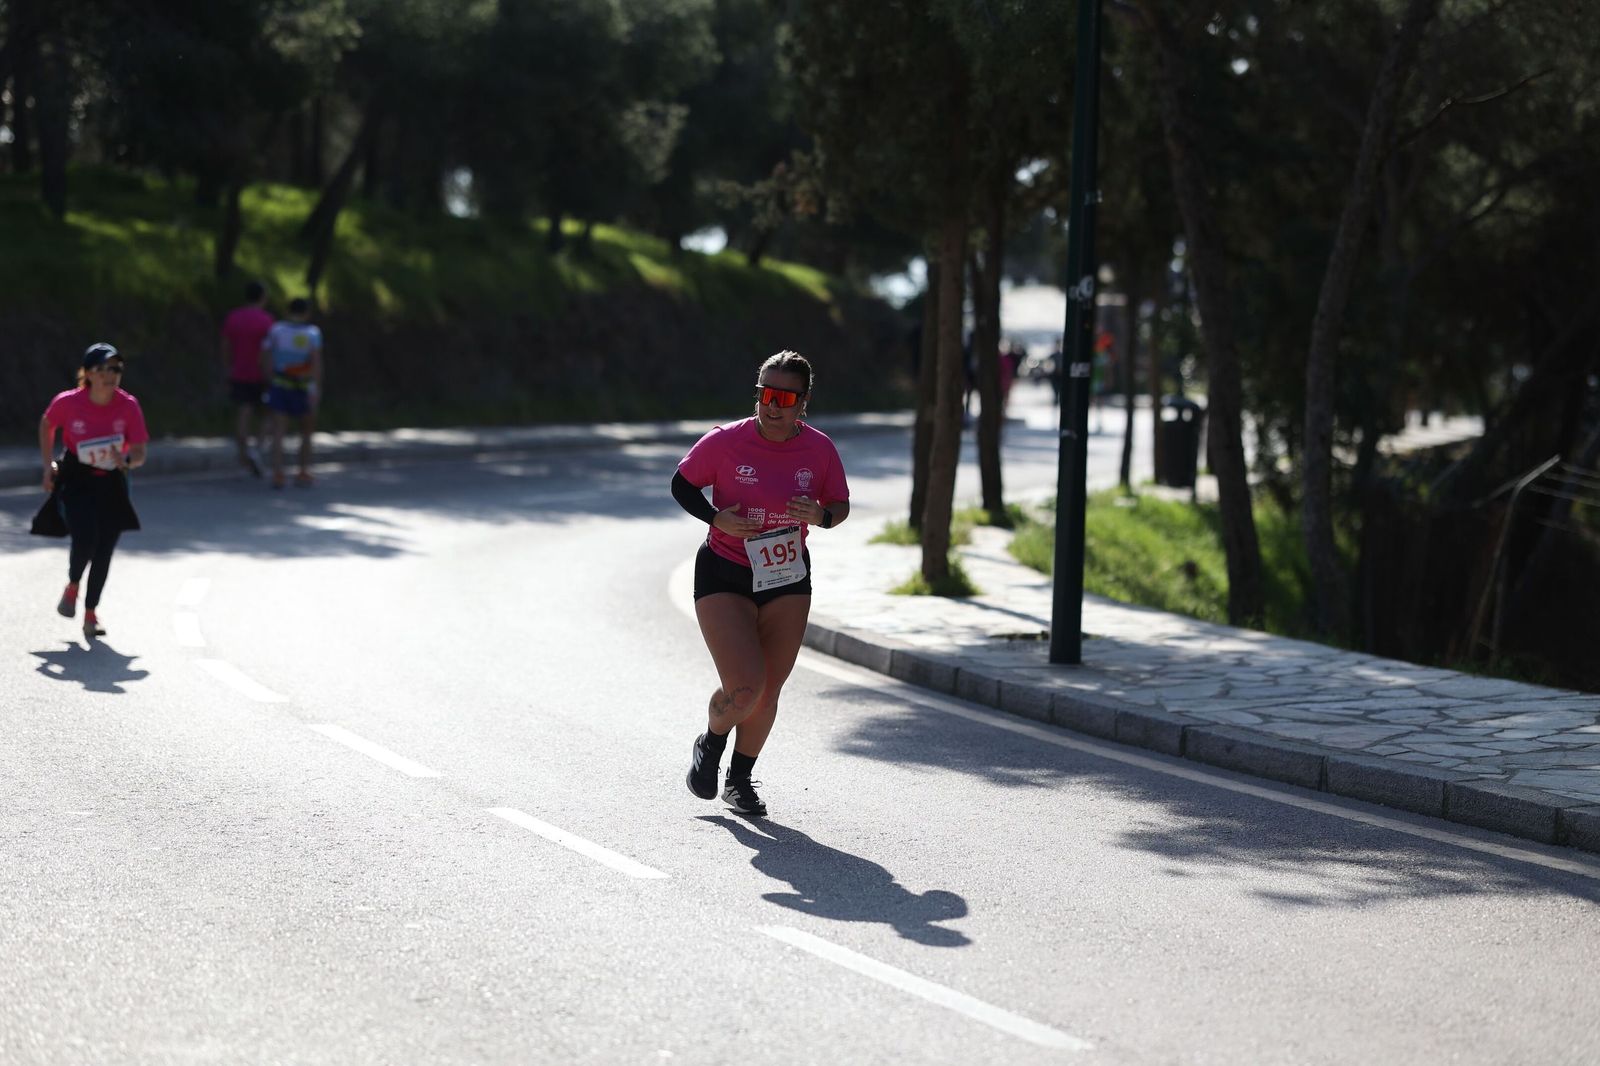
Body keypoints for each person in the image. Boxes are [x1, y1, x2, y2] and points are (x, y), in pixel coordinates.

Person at [672, 350, 851, 816]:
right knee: (746, 685)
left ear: (803, 403)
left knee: (769, 689)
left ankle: (740, 780)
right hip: (724, 570)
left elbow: (839, 505)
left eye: (785, 398)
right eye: (765, 394)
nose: (773, 406)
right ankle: (710, 742)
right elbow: (682, 483)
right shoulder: (725, 441)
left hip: (786, 577)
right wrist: (716, 518)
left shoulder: (820, 449)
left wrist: (823, 516)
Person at [35, 343, 148, 639]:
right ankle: (73, 585)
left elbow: (139, 452)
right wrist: (48, 467)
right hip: (77, 479)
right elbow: (47, 424)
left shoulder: (128, 405)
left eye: (116, 369)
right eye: (103, 369)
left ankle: (90, 614)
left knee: (105, 549)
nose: (110, 375)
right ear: (87, 373)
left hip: (112, 481)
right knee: (85, 538)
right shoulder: (69, 402)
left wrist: (124, 460)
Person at [261, 296, 323, 489]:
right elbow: (316, 363)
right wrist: (316, 387)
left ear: (288, 311)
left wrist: (270, 379)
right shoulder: (312, 333)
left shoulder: (277, 330)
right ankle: (303, 471)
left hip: (280, 384)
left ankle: (278, 473)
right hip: (303, 387)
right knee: (306, 432)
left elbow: (266, 357)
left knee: (279, 431)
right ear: (307, 313)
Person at [220, 280, 274, 476]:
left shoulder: (234, 318)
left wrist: (227, 368)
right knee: (270, 413)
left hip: (238, 372)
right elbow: (269, 351)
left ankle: (245, 456)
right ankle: (258, 448)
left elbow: (226, 346)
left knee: (243, 412)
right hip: (261, 373)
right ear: (262, 297)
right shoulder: (267, 321)